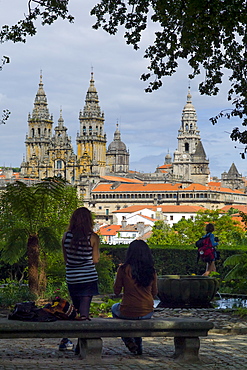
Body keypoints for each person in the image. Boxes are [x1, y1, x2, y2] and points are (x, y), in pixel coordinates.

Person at [59, 207, 100, 351]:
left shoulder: (66, 236)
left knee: (75, 311)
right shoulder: (92, 237)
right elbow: (95, 260)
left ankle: (73, 342)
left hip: (72, 278)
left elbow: (66, 259)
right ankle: (81, 347)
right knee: (84, 314)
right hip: (88, 278)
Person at [111, 239, 158, 355]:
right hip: (147, 311)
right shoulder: (151, 271)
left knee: (114, 308)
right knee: (136, 312)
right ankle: (139, 343)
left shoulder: (123, 269)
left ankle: (128, 340)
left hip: (128, 310)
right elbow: (154, 293)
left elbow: (116, 291)